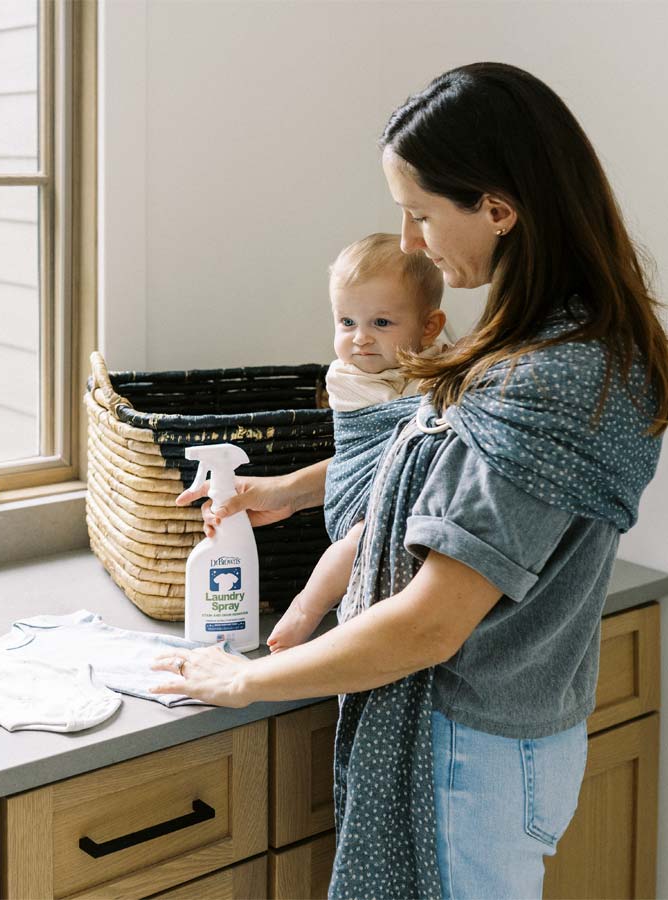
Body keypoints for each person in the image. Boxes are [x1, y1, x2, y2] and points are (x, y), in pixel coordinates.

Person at [152, 61, 668, 900]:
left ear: (499, 209)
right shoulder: (553, 339)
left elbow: (431, 625)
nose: (412, 240)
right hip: (492, 741)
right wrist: (286, 491)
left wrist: (240, 678)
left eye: (422, 214)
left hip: (473, 752)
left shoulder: (552, 377)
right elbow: (439, 462)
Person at [267, 232, 447, 653]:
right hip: (361, 494)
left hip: (414, 500)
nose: (360, 338)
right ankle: (306, 609)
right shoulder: (349, 376)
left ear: (429, 327)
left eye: (381, 323)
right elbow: (407, 424)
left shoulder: (438, 362)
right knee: (360, 541)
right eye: (347, 322)